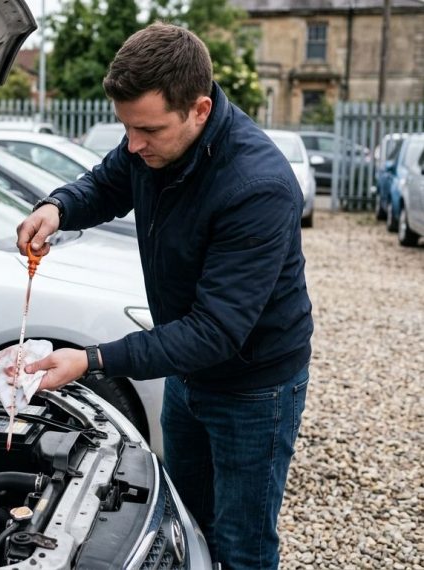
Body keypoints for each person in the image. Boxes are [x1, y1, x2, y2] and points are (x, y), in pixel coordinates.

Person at [16, 22, 313, 570]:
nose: (133, 144)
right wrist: (57, 207)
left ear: (199, 110)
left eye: (147, 130)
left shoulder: (258, 187)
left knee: (242, 545)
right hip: (188, 374)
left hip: (254, 389)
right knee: (181, 519)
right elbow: (106, 184)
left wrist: (93, 359)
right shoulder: (148, 144)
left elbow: (216, 331)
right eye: (127, 128)